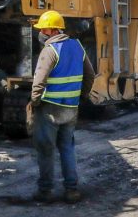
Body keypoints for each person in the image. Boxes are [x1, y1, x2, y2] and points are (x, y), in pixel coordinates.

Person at [27, 10, 95, 204]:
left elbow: (39, 81)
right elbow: (90, 75)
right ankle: (71, 190)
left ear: (52, 30)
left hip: (49, 109)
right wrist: (82, 96)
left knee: (46, 150)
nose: (41, 32)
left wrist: (35, 102)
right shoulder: (77, 46)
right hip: (71, 108)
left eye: (43, 29)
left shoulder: (50, 50)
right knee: (67, 148)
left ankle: (45, 191)